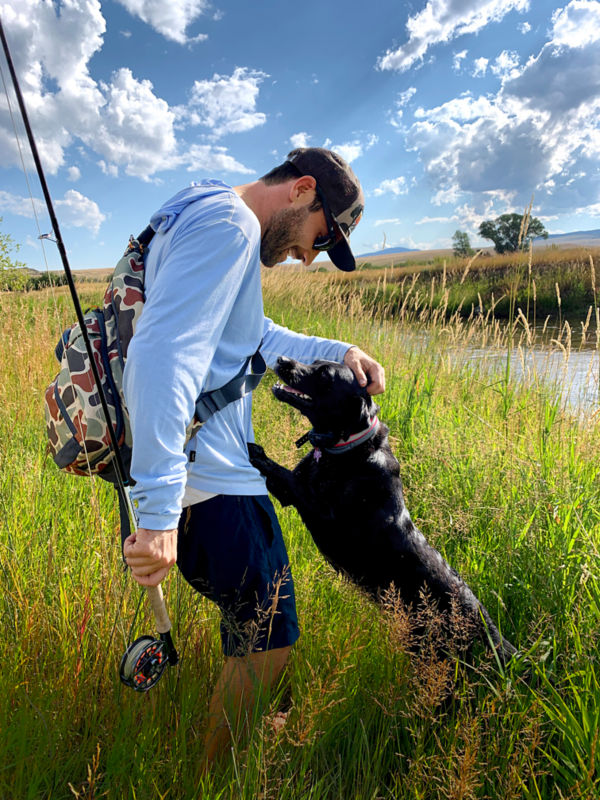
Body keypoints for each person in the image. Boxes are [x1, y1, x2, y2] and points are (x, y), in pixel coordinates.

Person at [122, 147, 385, 766]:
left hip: (196, 481)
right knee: (269, 639)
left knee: (255, 627)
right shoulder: (231, 227)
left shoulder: (205, 207)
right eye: (322, 238)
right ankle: (210, 777)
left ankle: (253, 733)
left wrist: (339, 350)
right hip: (214, 484)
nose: (310, 256)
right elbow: (161, 357)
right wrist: (158, 513)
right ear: (301, 190)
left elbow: (251, 337)